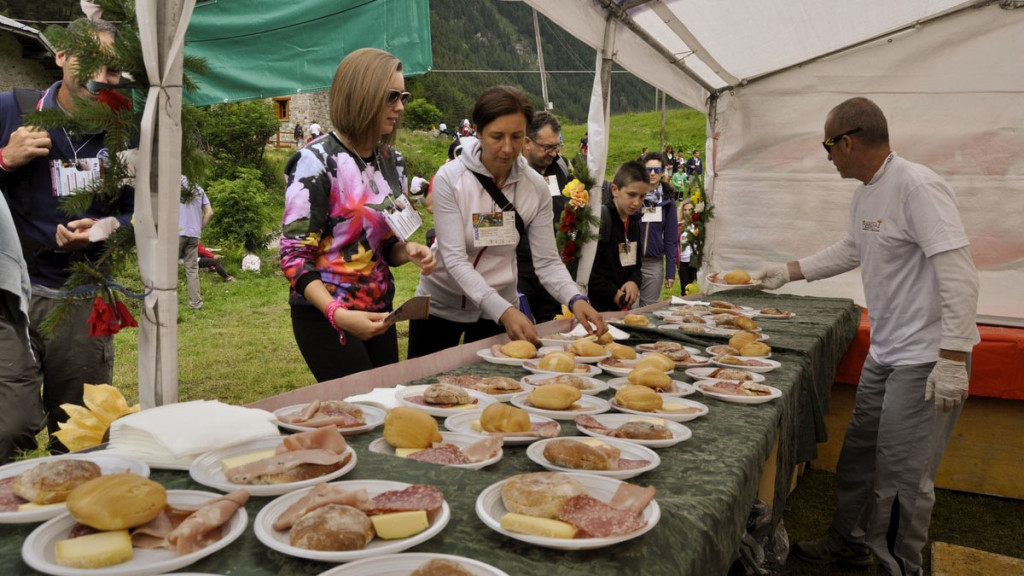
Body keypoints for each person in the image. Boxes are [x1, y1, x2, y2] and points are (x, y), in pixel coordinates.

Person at [754, 97, 979, 576]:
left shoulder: (917, 186)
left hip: (925, 358)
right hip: (887, 353)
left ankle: (898, 566)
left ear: (847, 142)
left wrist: (954, 356)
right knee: (858, 459)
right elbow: (852, 248)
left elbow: (959, 272)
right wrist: (788, 271)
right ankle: (850, 545)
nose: (827, 156)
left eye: (827, 146)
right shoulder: (867, 193)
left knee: (900, 480)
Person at [0, 18, 133, 459]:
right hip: (9, 293)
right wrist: (3, 160)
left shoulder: (126, 131)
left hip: (81, 295)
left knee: (79, 434)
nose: (101, 77)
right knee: (10, 423)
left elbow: (149, 213)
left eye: (113, 70)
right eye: (90, 61)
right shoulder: (11, 111)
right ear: (60, 57)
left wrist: (105, 228)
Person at [408, 86, 607, 357]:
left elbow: (547, 261)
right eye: (496, 137)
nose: (507, 148)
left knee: (494, 390)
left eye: (516, 137)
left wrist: (575, 298)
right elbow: (454, 259)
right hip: (441, 306)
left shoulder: (535, 187)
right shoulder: (449, 179)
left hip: (499, 311)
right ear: (477, 132)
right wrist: (503, 310)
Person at [279, 48, 435, 383]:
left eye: (402, 95)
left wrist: (407, 251)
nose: (400, 107)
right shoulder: (315, 161)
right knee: (361, 412)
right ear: (361, 95)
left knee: (384, 408)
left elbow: (387, 243)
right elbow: (293, 257)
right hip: (326, 316)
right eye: (391, 96)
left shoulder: (393, 161)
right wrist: (337, 314)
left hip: (379, 312)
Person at [518, 110, 571, 323]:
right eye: (547, 148)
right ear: (527, 142)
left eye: (557, 147)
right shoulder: (510, 174)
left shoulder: (559, 166)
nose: (553, 153)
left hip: (552, 266)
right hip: (519, 270)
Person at [589, 162, 645, 312]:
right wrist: (613, 292)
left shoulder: (634, 223)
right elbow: (586, 271)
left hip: (621, 308)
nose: (637, 202)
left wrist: (634, 281)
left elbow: (636, 266)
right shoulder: (600, 221)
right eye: (632, 195)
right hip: (596, 308)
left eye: (642, 197)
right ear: (614, 190)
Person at [637, 152, 679, 307]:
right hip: (630, 262)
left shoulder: (668, 202)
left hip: (653, 264)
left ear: (662, 172)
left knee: (648, 309)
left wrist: (670, 272)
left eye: (656, 170)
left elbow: (670, 239)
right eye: (648, 169)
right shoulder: (634, 196)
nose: (652, 173)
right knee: (628, 308)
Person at [178, 176, 214, 310]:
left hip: (176, 233)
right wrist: (199, 228)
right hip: (193, 234)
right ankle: (196, 304)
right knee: (192, 269)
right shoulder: (199, 189)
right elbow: (209, 213)